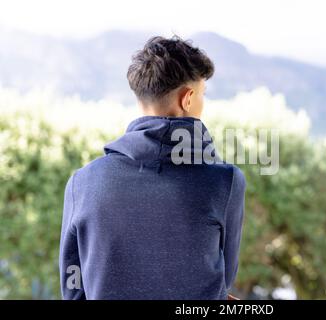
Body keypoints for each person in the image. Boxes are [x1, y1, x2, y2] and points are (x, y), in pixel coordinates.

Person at [59, 36, 246, 300]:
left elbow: (73, 287)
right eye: (203, 94)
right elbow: (222, 281)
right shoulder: (225, 182)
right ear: (188, 99)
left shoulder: (83, 182)